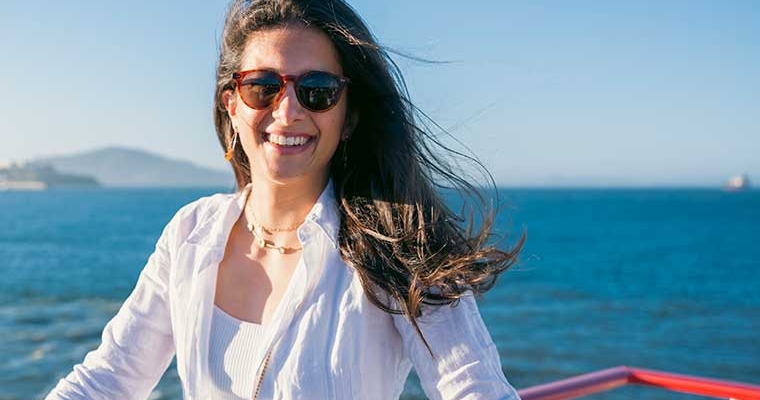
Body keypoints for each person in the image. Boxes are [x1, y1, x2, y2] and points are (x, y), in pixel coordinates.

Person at [44, 0, 523, 398]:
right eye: (263, 87)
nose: (288, 110)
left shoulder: (398, 246)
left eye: (317, 91)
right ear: (232, 105)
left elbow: (474, 387)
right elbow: (108, 379)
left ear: (349, 115)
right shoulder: (192, 233)